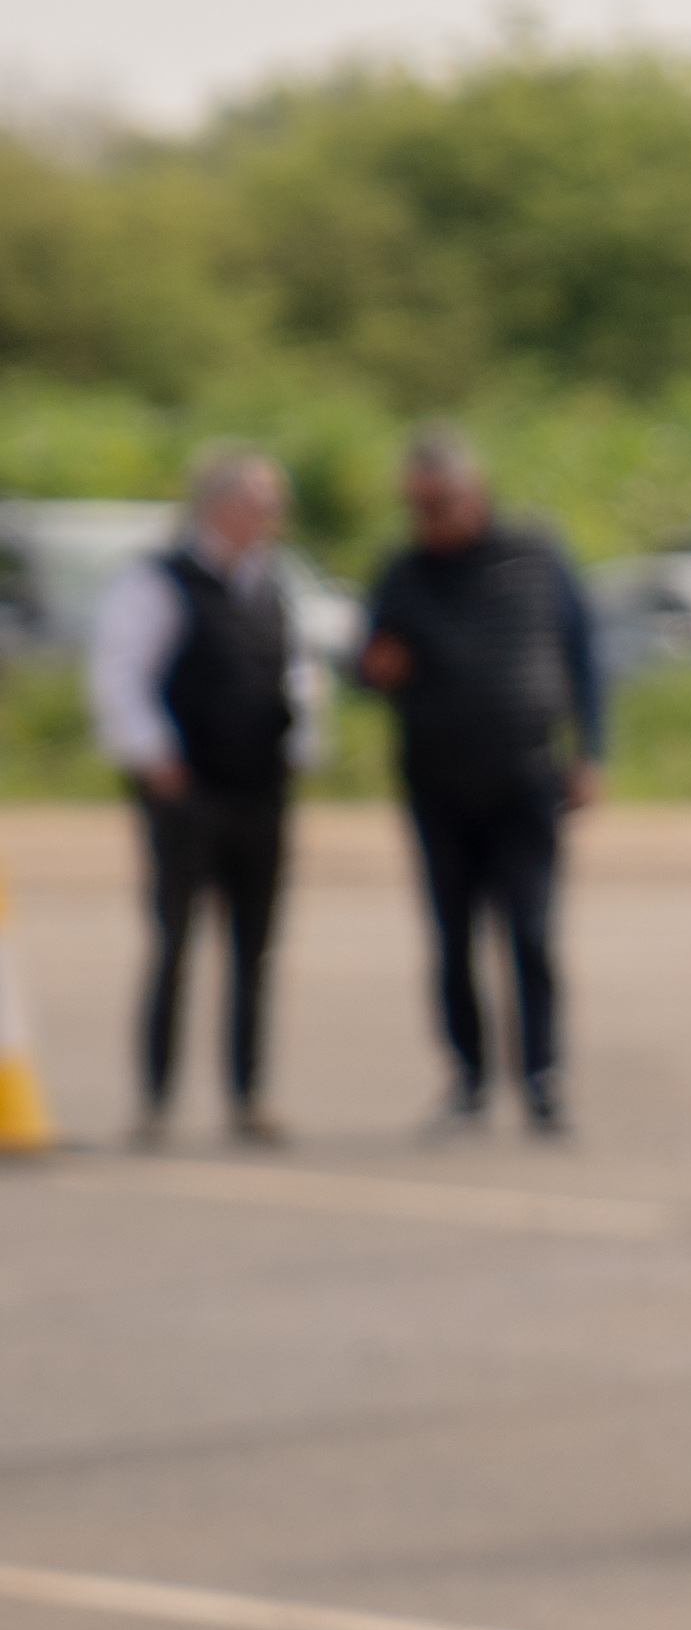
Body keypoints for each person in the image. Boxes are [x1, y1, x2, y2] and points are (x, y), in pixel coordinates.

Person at [358, 427, 608, 1138]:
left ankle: (543, 1078)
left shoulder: (535, 555)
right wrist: (374, 670)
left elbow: (583, 651)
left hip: (526, 775)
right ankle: (467, 1077)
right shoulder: (402, 573)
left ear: (476, 493)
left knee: (530, 932)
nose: (431, 519)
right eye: (420, 507)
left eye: (443, 503)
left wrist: (592, 750)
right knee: (452, 937)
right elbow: (367, 663)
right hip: (437, 782)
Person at [85, 447, 321, 1149]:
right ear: (220, 506)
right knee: (175, 943)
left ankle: (248, 1093)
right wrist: (156, 759)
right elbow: (120, 671)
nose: (273, 516)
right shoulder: (161, 580)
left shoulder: (272, 582)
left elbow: (301, 675)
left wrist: (302, 749)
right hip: (191, 791)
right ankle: (156, 1097)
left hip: (260, 789)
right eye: (261, 501)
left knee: (254, 949)